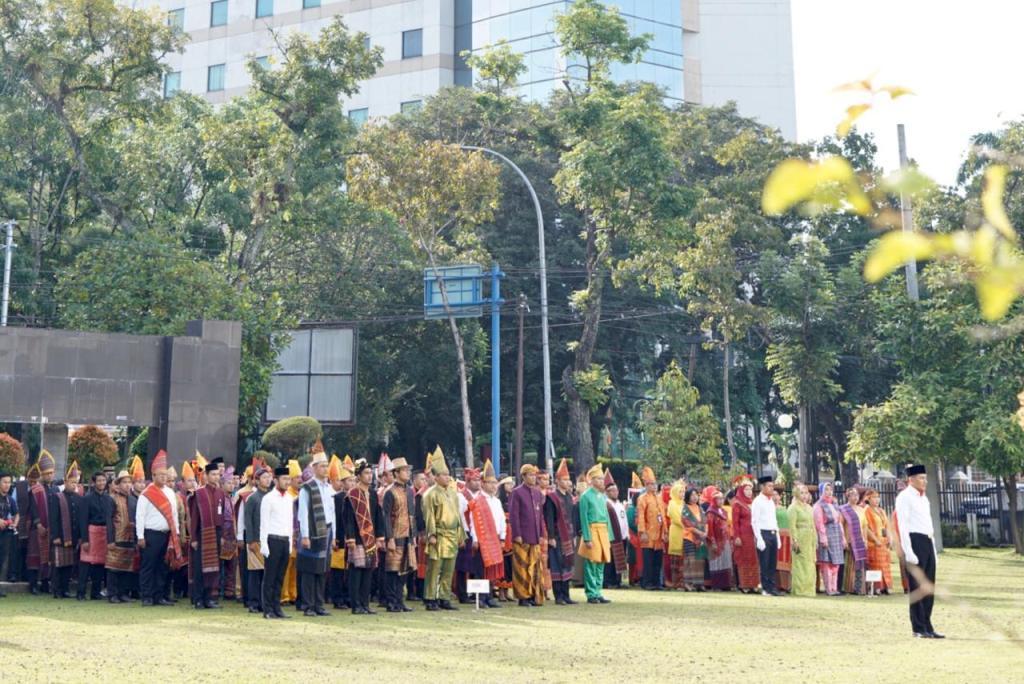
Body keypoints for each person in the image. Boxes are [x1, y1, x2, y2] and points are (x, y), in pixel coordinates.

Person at [895, 464, 943, 639]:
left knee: (929, 586)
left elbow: (928, 525)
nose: (925, 481)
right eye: (921, 478)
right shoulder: (904, 497)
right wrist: (908, 551)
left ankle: (928, 625)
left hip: (927, 541)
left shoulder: (924, 498)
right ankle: (918, 627)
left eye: (925, 478)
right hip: (914, 541)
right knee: (916, 587)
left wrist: (934, 550)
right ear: (911, 479)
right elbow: (903, 525)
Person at [421, 449, 465, 611]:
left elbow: (458, 515)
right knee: (434, 568)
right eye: (444, 475)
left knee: (449, 569)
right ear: (436, 477)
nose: (448, 477)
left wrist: (461, 535)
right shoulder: (430, 494)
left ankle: (444, 597)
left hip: (452, 535)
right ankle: (430, 597)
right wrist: (431, 534)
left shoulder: (453, 493)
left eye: (448, 475)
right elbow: (429, 516)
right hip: (438, 534)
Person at [136, 450, 182, 607]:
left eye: (165, 474)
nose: (163, 477)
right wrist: (140, 536)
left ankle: (159, 596)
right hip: (151, 535)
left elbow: (174, 514)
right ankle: (147, 596)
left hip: (167, 534)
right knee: (149, 566)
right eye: (160, 475)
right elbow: (140, 516)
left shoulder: (170, 492)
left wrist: (176, 533)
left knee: (163, 566)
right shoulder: (146, 493)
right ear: (153, 475)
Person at [342, 458, 385, 615]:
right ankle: (356, 605)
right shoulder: (352, 494)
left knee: (368, 572)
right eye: (366, 473)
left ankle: (365, 604)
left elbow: (378, 516)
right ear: (358, 476)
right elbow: (347, 519)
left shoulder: (373, 494)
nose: (369, 476)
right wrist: (350, 538)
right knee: (356, 572)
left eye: (370, 473)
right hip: (357, 538)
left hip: (370, 538)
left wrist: (380, 537)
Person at [188, 460, 232, 609]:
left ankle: (210, 598)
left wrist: (222, 536)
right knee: (200, 567)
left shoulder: (221, 493)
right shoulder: (199, 493)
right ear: (206, 476)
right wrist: (194, 538)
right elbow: (194, 517)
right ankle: (198, 599)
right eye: (213, 474)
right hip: (202, 533)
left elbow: (223, 516)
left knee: (214, 568)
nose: (216, 477)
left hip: (217, 533)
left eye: (217, 474)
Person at [297, 449, 335, 617]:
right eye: (322, 466)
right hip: (312, 532)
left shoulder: (329, 488)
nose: (325, 469)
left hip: (326, 531)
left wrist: (334, 535)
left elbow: (332, 513)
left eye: (326, 466)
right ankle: (308, 606)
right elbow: (303, 513)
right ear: (314, 468)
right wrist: (305, 535)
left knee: (322, 569)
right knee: (309, 570)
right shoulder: (307, 488)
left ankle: (319, 604)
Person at [382, 457, 417, 613]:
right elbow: (386, 517)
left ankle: (399, 600)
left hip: (408, 535)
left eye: (408, 470)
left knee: (405, 569)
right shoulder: (390, 492)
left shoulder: (409, 491)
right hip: (395, 535)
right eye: (404, 470)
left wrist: (413, 535)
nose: (407, 473)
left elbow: (412, 515)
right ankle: (391, 601)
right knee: (392, 570)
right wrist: (389, 538)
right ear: (396, 473)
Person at [508, 463, 545, 607]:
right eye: (530, 475)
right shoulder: (517, 492)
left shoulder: (537, 493)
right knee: (522, 567)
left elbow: (540, 516)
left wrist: (541, 533)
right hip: (522, 536)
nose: (533, 478)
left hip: (535, 536)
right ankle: (523, 597)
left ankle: (534, 595)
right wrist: (517, 534)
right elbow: (514, 515)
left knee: (535, 567)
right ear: (523, 476)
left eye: (534, 475)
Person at [260, 465, 294, 619]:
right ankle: (267, 609)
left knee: (280, 577)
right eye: (284, 479)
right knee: (270, 577)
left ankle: (277, 607)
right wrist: (264, 544)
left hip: (285, 540)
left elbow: (290, 522)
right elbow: (264, 523)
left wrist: (290, 542)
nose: (287, 482)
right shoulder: (268, 498)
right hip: (272, 539)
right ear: (276, 480)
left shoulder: (289, 498)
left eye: (288, 479)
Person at [577, 464, 612, 604]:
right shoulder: (585, 496)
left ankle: (598, 591)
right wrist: (587, 538)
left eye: (602, 479)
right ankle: (591, 593)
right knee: (591, 562)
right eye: (598, 478)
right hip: (592, 530)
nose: (602, 481)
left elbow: (606, 517)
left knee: (601, 563)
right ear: (591, 480)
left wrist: (609, 536)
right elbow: (584, 518)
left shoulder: (602, 496)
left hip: (603, 531)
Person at [544, 458, 577, 605]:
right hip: (557, 536)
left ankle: (566, 595)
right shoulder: (552, 497)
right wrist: (550, 536)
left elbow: (572, 517)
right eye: (564, 479)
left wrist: (574, 535)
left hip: (568, 536)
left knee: (567, 565)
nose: (567, 482)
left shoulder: (569, 497)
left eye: (568, 479)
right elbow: (549, 518)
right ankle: (558, 596)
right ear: (557, 481)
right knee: (557, 565)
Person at [474, 459, 507, 607]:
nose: (494, 486)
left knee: (492, 569)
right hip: (482, 539)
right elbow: (473, 521)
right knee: (481, 569)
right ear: (483, 484)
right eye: (490, 483)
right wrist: (475, 539)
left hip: (495, 538)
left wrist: (503, 537)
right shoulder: (478, 500)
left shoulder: (497, 501)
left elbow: (501, 520)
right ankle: (480, 598)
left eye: (495, 483)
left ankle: (489, 597)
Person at [49, 461, 83, 598]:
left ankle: (65, 589)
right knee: (58, 565)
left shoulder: (78, 498)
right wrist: (55, 536)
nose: (74, 485)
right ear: (65, 482)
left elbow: (79, 519)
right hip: (60, 537)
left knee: (69, 565)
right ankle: (56, 590)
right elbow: (53, 518)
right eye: (71, 482)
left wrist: (79, 536)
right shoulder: (57, 497)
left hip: (72, 537)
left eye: (76, 483)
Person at [242, 462, 273, 613]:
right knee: (255, 572)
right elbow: (248, 521)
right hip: (255, 540)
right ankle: (253, 602)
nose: (268, 480)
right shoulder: (252, 498)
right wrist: (251, 541)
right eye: (264, 477)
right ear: (257, 480)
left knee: (266, 573)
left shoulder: (272, 497)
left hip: (269, 539)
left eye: (269, 477)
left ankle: (263, 602)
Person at [26, 451, 57, 594]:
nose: (49, 475)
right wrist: (38, 524)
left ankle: (45, 584)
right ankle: (33, 585)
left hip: (51, 528)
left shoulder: (55, 489)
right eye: (46, 473)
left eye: (51, 473)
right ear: (42, 474)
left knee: (48, 558)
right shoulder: (35, 489)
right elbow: (32, 508)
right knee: (34, 556)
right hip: (36, 528)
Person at [77, 471, 112, 600]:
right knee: (86, 564)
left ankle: (95, 592)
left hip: (104, 533)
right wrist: (85, 539)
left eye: (103, 480)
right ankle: (81, 592)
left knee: (100, 564)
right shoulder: (86, 499)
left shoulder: (109, 499)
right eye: (99, 481)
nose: (102, 483)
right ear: (94, 483)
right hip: (91, 532)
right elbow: (83, 520)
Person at [105, 469, 137, 603]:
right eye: (124, 482)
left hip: (130, 537)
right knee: (114, 568)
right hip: (117, 536)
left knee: (127, 567)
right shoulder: (112, 499)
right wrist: (110, 540)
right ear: (118, 484)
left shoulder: (133, 499)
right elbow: (108, 520)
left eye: (129, 482)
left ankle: (123, 593)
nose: (127, 485)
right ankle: (112, 594)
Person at [455, 466, 484, 604]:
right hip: (466, 532)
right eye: (474, 480)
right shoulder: (461, 496)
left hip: (480, 532)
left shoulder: (481, 496)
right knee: (463, 565)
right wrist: (460, 535)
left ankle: (475, 593)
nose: (478, 483)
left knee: (477, 564)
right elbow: (459, 517)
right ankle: (462, 593)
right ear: (467, 481)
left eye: (479, 480)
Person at [813, 481, 845, 596]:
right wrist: (823, 538)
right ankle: (829, 589)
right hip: (826, 534)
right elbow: (819, 523)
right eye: (826, 490)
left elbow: (839, 522)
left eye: (830, 489)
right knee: (827, 563)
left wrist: (843, 537)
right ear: (821, 491)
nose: (829, 492)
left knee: (836, 563)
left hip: (836, 535)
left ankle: (834, 588)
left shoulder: (834, 505)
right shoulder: (818, 506)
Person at [635, 466, 665, 590]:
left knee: (658, 560)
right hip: (648, 534)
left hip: (659, 535)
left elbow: (663, 516)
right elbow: (641, 516)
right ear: (646, 485)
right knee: (648, 560)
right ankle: (647, 583)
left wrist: (665, 531)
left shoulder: (659, 498)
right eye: (651, 484)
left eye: (654, 484)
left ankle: (656, 582)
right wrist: (642, 532)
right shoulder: (642, 498)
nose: (654, 486)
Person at [787, 483, 818, 597]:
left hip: (809, 538)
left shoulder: (809, 508)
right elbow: (792, 526)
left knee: (810, 564)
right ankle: (799, 589)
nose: (804, 495)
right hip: (800, 537)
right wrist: (794, 540)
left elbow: (813, 524)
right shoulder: (793, 508)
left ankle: (809, 589)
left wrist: (815, 539)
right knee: (800, 564)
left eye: (806, 493)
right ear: (796, 494)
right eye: (802, 493)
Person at [731, 476, 760, 593]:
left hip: (753, 535)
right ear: (741, 490)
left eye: (750, 490)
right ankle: (744, 585)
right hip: (743, 535)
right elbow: (735, 522)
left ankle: (753, 584)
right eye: (746, 490)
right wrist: (737, 536)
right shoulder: (737, 503)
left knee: (753, 559)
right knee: (744, 559)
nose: (749, 492)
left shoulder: (753, 503)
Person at [863, 488, 893, 594]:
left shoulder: (881, 511)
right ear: (868, 499)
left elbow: (887, 526)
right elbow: (866, 528)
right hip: (873, 542)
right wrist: (875, 540)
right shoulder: (866, 511)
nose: (877, 500)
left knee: (885, 564)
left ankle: (886, 586)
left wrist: (890, 538)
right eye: (874, 497)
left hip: (883, 541)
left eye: (878, 497)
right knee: (875, 565)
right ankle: (876, 587)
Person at [839, 486, 867, 595]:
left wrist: (865, 539)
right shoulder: (843, 509)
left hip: (860, 541)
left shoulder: (861, 510)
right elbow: (840, 524)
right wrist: (843, 539)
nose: (855, 497)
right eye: (852, 495)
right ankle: (848, 587)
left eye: (856, 495)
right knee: (849, 565)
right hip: (850, 540)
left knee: (860, 564)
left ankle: (859, 588)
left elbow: (864, 526)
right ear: (848, 496)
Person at [704, 487, 733, 590]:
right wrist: (713, 542)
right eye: (718, 499)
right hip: (716, 541)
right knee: (716, 563)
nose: (721, 501)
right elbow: (710, 529)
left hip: (725, 539)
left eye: (722, 498)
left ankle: (726, 584)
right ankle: (718, 584)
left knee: (726, 561)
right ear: (714, 500)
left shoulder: (723, 511)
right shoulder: (710, 512)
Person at [604, 473, 629, 589]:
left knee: (619, 560)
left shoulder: (619, 504)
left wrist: (626, 534)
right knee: (610, 561)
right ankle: (609, 581)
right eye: (612, 491)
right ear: (607, 492)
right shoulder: (606, 504)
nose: (615, 493)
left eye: (616, 490)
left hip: (622, 536)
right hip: (611, 536)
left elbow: (624, 520)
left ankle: (618, 581)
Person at [681, 488, 708, 591]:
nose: (695, 497)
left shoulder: (700, 508)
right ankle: (688, 583)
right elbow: (687, 524)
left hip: (701, 539)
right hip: (689, 537)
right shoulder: (685, 509)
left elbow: (706, 522)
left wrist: (705, 532)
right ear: (688, 497)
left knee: (700, 561)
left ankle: (699, 584)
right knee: (690, 561)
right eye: (692, 495)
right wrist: (700, 532)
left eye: (696, 494)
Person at [665, 481, 686, 590]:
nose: (682, 494)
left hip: (685, 533)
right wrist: (687, 526)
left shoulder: (684, 504)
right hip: (676, 531)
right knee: (676, 558)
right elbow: (677, 519)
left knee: (683, 559)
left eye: (683, 491)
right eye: (680, 492)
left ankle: (683, 583)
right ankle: (676, 583)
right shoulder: (672, 503)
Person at [0, 472, 18, 595]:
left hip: (6, 534)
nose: (7, 485)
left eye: (9, 482)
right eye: (4, 482)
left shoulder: (10, 499)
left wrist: (14, 523)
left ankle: (1, 587)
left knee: (3, 560)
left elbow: (17, 514)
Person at [773, 489, 791, 593]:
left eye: (777, 495)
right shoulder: (770, 508)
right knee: (777, 561)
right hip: (777, 535)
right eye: (773, 495)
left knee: (786, 562)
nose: (775, 497)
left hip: (786, 536)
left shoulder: (784, 508)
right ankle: (778, 585)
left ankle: (786, 585)